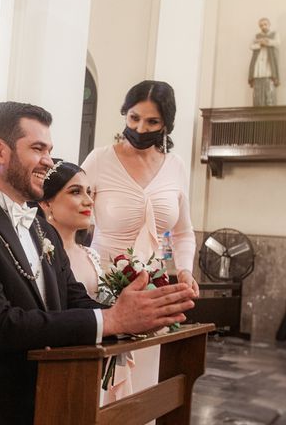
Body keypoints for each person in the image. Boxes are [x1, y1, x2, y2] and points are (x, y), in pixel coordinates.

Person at [0, 101, 195, 425]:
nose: (48, 162)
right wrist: (111, 321)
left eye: (49, 150)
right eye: (38, 149)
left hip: (47, 401)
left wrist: (136, 312)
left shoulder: (40, 228)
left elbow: (72, 297)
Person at [81, 80, 199, 401]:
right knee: (99, 381)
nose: (139, 127)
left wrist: (185, 270)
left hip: (153, 285)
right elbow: (69, 210)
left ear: (166, 125)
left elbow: (183, 231)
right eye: (133, 118)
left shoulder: (174, 167)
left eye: (151, 122)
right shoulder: (99, 160)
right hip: (102, 282)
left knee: (144, 382)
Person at [37, 160, 100, 296]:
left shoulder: (92, 256)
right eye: (76, 192)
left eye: (89, 192)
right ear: (46, 203)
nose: (89, 201)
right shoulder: (36, 255)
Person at [249, 17, 280, 106]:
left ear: (269, 25)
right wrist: (260, 44)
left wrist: (267, 42)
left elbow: (277, 43)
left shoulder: (274, 34)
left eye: (265, 24)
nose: (263, 26)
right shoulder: (257, 36)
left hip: (269, 64)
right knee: (257, 92)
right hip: (258, 65)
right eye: (261, 25)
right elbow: (251, 46)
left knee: (269, 91)